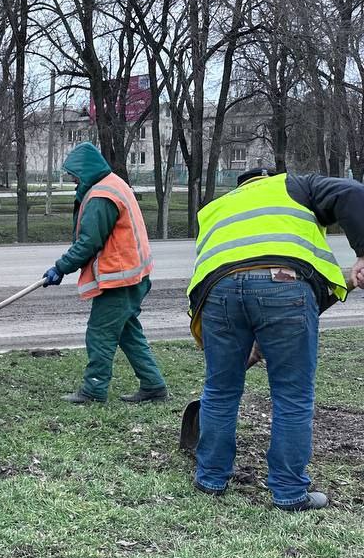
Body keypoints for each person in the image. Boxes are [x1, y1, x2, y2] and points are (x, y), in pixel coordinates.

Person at [188, 166, 364, 512]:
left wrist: (248, 337)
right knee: (292, 396)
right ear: (270, 178)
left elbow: (231, 274)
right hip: (284, 285)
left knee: (220, 390)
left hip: (217, 294)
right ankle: (288, 491)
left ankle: (210, 477)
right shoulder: (296, 185)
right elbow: (353, 193)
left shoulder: (216, 208)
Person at [42, 142, 167, 405]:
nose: (73, 181)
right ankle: (154, 386)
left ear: (85, 171)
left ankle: (93, 390)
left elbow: (89, 242)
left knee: (99, 333)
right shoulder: (114, 183)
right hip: (134, 276)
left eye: (74, 176)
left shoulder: (101, 196)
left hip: (119, 279)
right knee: (128, 332)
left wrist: (60, 267)